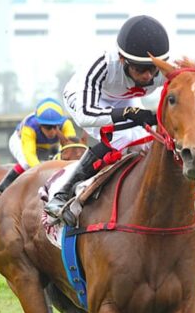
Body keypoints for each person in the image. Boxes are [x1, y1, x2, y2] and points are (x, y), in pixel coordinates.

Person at [44, 15, 171, 219]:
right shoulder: (102, 66)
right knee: (121, 137)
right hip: (87, 100)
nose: (148, 76)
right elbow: (86, 116)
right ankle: (63, 194)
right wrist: (127, 114)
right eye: (140, 69)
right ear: (122, 60)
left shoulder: (163, 70)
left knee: (148, 143)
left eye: (153, 69)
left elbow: (194, 90)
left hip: (125, 99)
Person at [0, 97, 78, 210]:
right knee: (26, 163)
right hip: (20, 142)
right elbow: (30, 156)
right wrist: (46, 174)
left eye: (56, 126)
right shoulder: (30, 126)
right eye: (47, 127)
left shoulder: (66, 124)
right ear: (39, 124)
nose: (52, 131)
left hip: (49, 147)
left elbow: (69, 147)